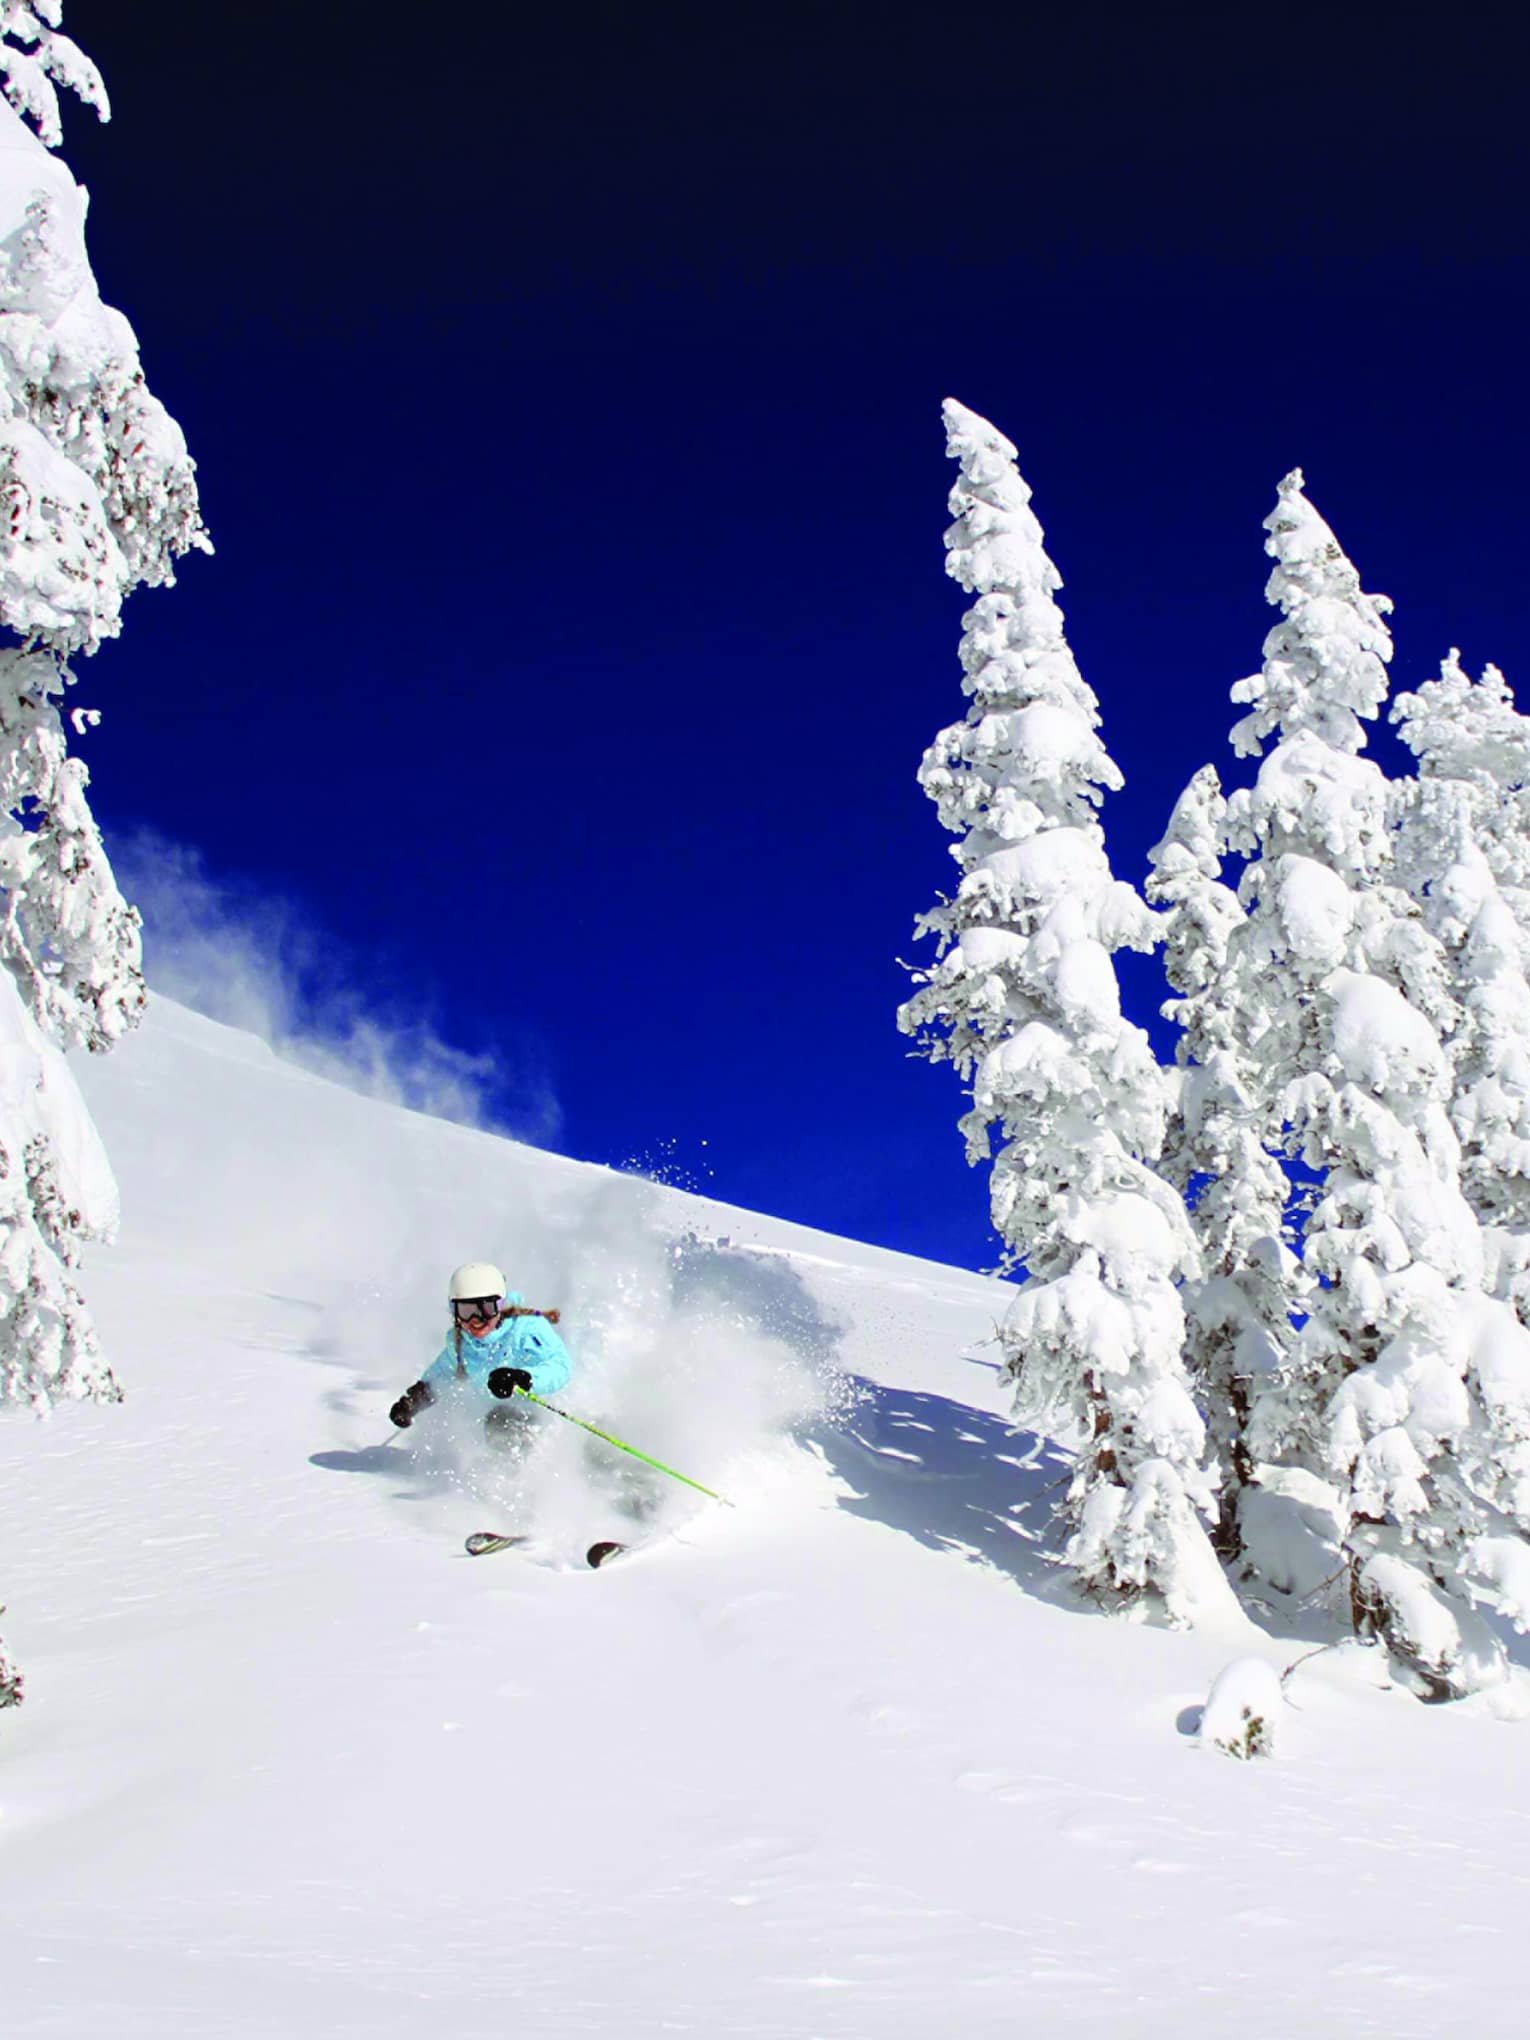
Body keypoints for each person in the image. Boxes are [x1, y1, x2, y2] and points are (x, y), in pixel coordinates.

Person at [389, 1260, 572, 1438]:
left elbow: (558, 1366)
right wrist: (413, 1402)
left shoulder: (526, 1329)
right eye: (466, 1311)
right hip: (493, 1424)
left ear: (499, 1306)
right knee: (491, 1422)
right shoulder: (461, 1345)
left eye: (485, 1309)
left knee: (501, 1420)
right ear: (454, 1311)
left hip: (542, 1415)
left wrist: (522, 1378)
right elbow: (442, 1374)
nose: (476, 1319)